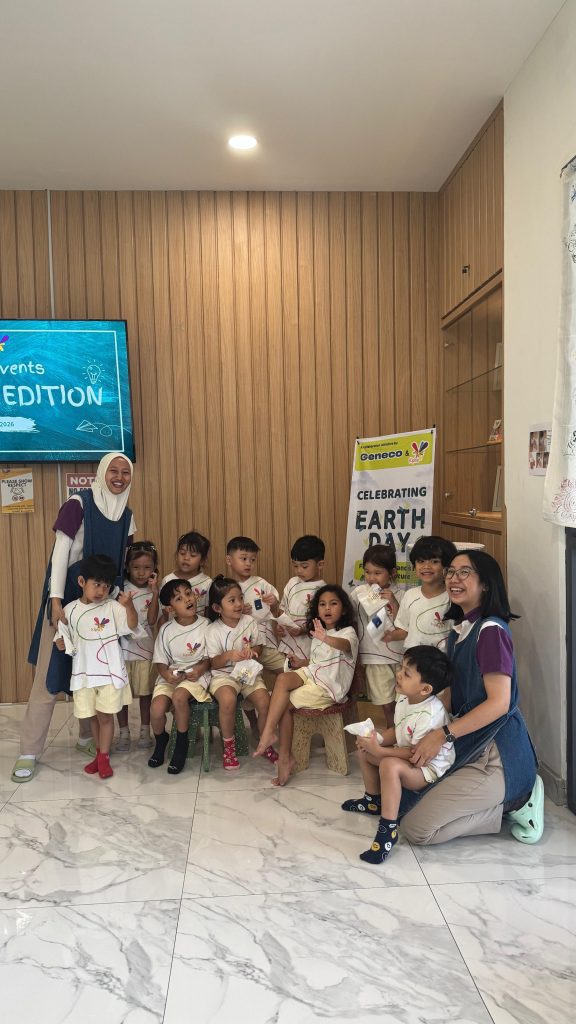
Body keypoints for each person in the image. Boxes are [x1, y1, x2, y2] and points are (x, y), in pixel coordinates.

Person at [399, 550, 543, 846]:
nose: (454, 578)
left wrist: (442, 734)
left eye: (464, 572)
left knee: (416, 829)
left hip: (498, 754)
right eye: (451, 572)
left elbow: (499, 704)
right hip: (470, 741)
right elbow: (454, 695)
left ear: (486, 584)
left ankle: (518, 803)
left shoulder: (490, 631)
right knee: (403, 801)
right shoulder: (459, 630)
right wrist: (415, 719)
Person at [11, 452, 136, 783]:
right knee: (49, 676)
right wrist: (55, 601)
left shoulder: (127, 515)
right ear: (101, 472)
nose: (119, 477)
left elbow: (122, 564)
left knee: (91, 670)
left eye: (125, 472)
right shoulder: (78, 504)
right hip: (66, 599)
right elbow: (60, 554)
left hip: (103, 604)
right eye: (113, 470)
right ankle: (29, 751)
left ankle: (85, 738)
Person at [341, 646, 454, 864]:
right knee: (365, 749)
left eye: (407, 673)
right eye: (401, 668)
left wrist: (381, 751)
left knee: (389, 765)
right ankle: (373, 801)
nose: (399, 674)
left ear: (425, 689)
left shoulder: (430, 714)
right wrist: (376, 740)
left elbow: (416, 754)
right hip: (411, 757)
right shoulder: (405, 697)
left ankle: (388, 830)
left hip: (428, 769)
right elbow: (399, 729)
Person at [253, 584, 359, 786]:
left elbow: (344, 646)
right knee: (282, 679)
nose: (327, 608)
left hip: (328, 686)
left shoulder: (348, 633)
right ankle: (269, 733)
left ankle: (284, 756)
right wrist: (301, 663)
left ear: (344, 609)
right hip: (312, 675)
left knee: (283, 704)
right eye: (322, 604)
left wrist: (326, 638)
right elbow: (318, 661)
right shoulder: (319, 631)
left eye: (333, 604)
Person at [54, 554, 138, 779]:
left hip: (109, 674)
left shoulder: (113, 607)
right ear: (82, 582)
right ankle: (99, 754)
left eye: (106, 586)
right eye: (97, 584)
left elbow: (131, 626)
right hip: (84, 675)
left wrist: (129, 607)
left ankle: (103, 758)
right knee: (92, 716)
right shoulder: (70, 610)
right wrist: (61, 642)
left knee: (105, 716)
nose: (101, 590)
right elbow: (63, 637)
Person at [206, 576, 277, 770]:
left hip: (247, 671)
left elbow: (259, 646)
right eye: (232, 600)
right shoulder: (213, 630)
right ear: (217, 608)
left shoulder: (249, 621)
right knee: (228, 701)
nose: (238, 604)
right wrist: (228, 655)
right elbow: (213, 663)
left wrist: (253, 652)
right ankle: (229, 747)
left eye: (240, 598)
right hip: (224, 675)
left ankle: (265, 742)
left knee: (265, 701)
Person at [148, 578, 211, 774]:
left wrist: (199, 670)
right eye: (179, 598)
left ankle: (182, 743)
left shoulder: (206, 625)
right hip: (172, 675)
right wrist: (166, 675)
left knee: (179, 697)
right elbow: (160, 661)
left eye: (188, 593)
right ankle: (161, 740)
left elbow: (210, 658)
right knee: (156, 709)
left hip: (196, 675)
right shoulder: (166, 630)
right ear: (171, 608)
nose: (187, 599)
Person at [350, 544, 403, 729]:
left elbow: (404, 625)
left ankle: (402, 734)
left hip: (400, 657)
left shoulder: (401, 594)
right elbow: (349, 618)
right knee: (386, 703)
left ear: (392, 572)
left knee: (403, 701)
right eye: (367, 572)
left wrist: (393, 603)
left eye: (378, 573)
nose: (371, 578)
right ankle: (391, 731)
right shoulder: (358, 593)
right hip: (375, 658)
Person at [116, 540, 160, 752]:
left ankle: (145, 731)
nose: (141, 573)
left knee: (145, 694)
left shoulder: (154, 591)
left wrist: (155, 593)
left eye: (147, 567)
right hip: (122, 653)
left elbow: (151, 621)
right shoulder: (121, 589)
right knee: (122, 695)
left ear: (154, 569)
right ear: (127, 567)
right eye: (136, 567)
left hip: (145, 652)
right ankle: (124, 732)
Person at [225, 536, 285, 685]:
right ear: (229, 560)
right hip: (242, 647)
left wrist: (273, 602)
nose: (248, 563)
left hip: (266, 642)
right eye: (243, 558)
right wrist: (238, 612)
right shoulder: (225, 588)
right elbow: (221, 616)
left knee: (286, 670)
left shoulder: (261, 584)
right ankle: (249, 700)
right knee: (245, 682)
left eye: (252, 560)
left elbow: (276, 609)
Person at [384, 535, 457, 650]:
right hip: (412, 658)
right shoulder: (409, 595)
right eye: (421, 561)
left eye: (434, 561)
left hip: (441, 659)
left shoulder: (453, 598)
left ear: (447, 567)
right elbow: (404, 630)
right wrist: (390, 636)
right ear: (414, 566)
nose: (426, 566)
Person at [275, 534, 326, 667]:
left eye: (304, 566)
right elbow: (282, 609)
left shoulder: (324, 590)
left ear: (320, 564)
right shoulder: (292, 583)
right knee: (288, 672)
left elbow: (324, 621)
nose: (298, 571)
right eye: (295, 566)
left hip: (311, 646)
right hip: (289, 644)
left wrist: (303, 630)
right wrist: (281, 626)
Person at [160, 531, 212, 616]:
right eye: (182, 553)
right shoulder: (167, 580)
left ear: (202, 560)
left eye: (193, 555)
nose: (186, 558)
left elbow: (208, 612)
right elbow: (165, 614)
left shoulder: (207, 582)